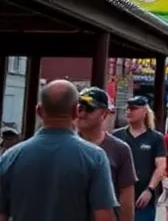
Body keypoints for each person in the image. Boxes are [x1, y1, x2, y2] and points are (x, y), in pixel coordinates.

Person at [0, 79, 117, 220]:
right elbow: (104, 216)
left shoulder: (10, 158)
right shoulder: (95, 157)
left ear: (38, 111)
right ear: (76, 110)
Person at [78, 86, 137, 221]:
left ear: (104, 114)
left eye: (89, 109)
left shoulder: (120, 149)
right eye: (79, 108)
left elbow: (126, 200)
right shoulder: (66, 146)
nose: (82, 114)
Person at [112, 96, 167, 221]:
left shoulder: (156, 138)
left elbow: (161, 166)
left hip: (143, 199)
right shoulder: (116, 135)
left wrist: (150, 189)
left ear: (144, 112)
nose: (129, 112)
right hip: (118, 198)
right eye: (127, 109)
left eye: (133, 109)